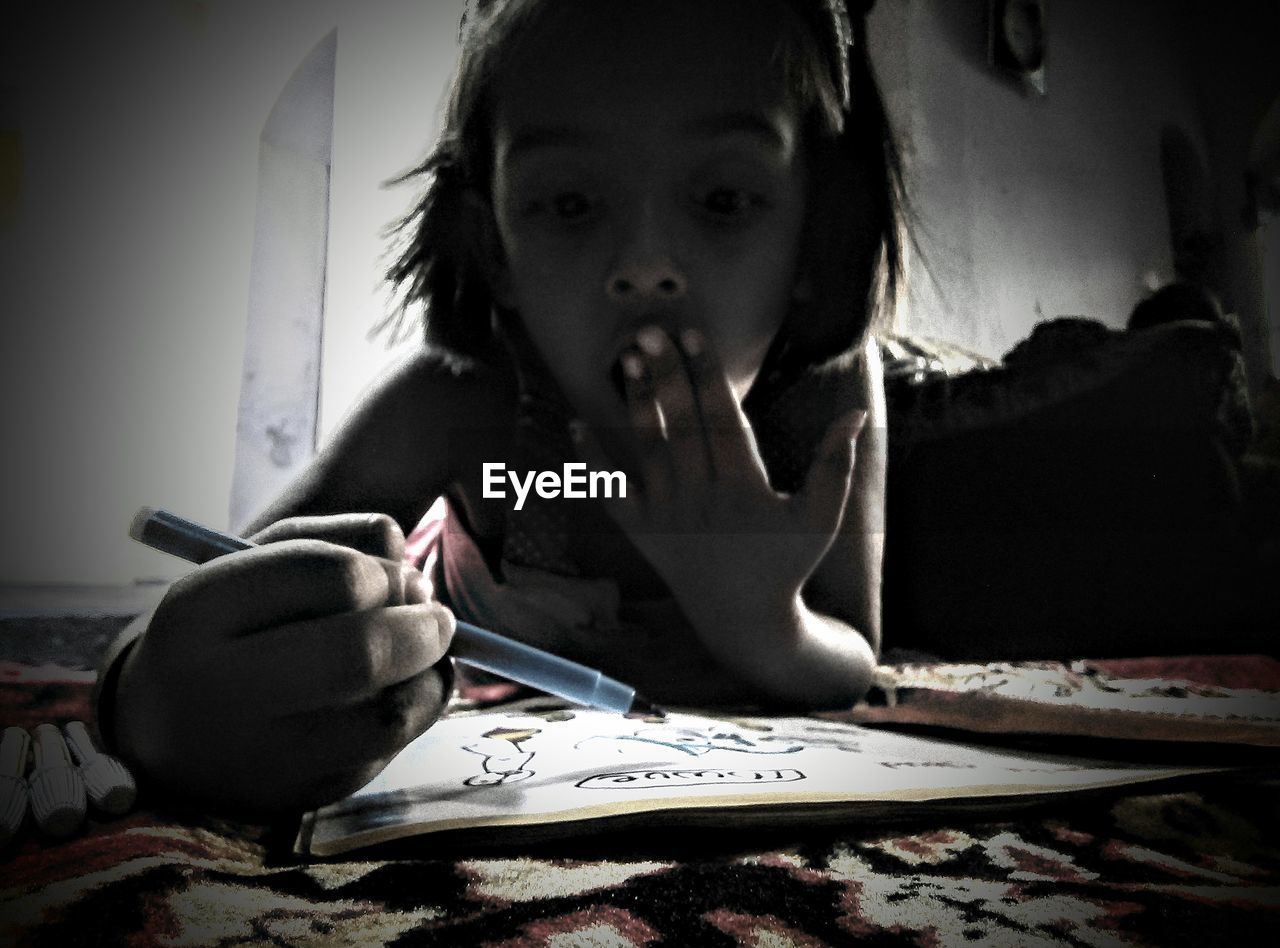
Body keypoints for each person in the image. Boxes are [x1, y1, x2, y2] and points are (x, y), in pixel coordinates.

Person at [95, 0, 905, 813]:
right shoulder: (455, 408)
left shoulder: (821, 406)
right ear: (496, 251)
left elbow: (853, 652)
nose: (646, 266)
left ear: (814, 232)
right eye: (570, 204)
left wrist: (764, 622)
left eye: (725, 199)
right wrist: (145, 699)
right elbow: (220, 580)